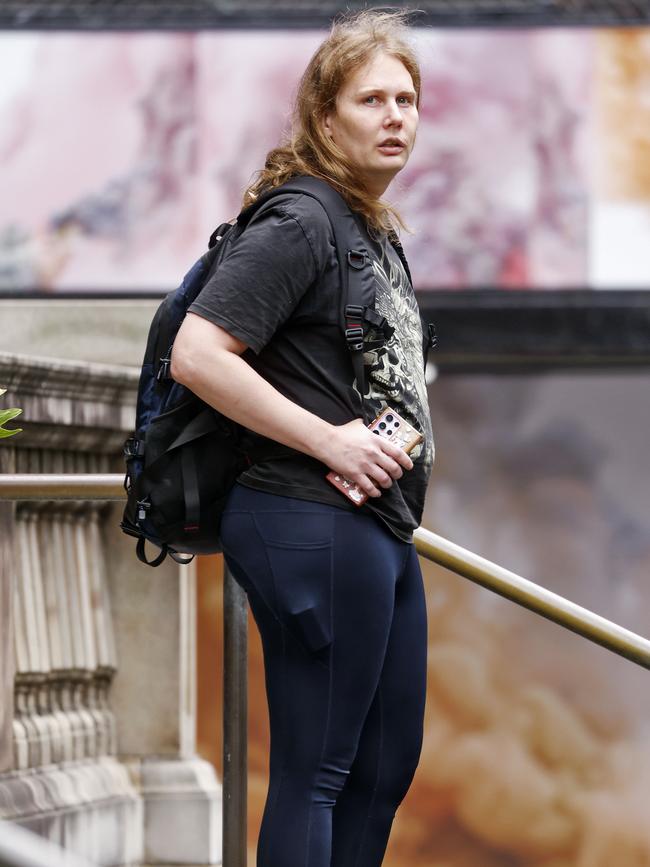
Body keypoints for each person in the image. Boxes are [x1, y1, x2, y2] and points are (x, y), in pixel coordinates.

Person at [171, 10, 434, 866]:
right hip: (306, 515)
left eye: (407, 99)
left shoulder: (369, 228)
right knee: (316, 773)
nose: (397, 115)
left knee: (383, 766)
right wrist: (334, 441)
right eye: (372, 100)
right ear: (326, 119)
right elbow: (198, 354)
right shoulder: (302, 221)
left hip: (376, 525)